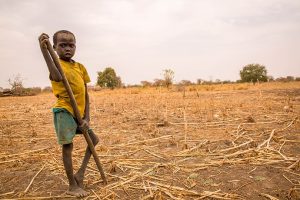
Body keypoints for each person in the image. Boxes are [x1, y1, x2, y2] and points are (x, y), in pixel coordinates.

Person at [38, 30, 99, 197]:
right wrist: (45, 50)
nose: (67, 48)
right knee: (68, 146)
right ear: (55, 47)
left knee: (94, 139)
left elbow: (85, 93)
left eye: (71, 45)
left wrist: (87, 117)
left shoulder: (80, 67)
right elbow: (57, 77)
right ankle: (72, 186)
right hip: (64, 110)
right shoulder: (57, 64)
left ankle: (80, 174)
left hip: (78, 113)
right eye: (62, 45)